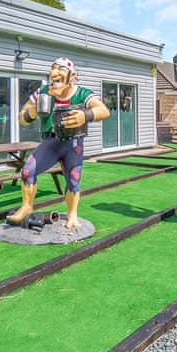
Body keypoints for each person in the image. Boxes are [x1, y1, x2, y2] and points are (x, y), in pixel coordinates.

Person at [7, 57, 109, 229]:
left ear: (72, 76)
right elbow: (22, 117)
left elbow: (104, 110)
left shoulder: (81, 93)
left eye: (61, 69)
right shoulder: (43, 92)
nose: (55, 73)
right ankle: (26, 207)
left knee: (73, 181)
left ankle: (72, 214)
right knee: (27, 171)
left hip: (73, 144)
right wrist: (31, 113)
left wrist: (85, 115)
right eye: (53, 68)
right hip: (51, 141)